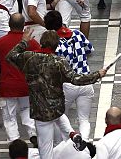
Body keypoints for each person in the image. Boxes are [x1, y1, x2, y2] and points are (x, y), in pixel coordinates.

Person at [7, 29, 106, 159]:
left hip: (40, 111)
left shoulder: (29, 57)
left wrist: (24, 42)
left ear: (42, 42)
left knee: (46, 149)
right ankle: (71, 133)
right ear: (56, 45)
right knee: (60, 117)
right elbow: (75, 79)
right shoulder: (59, 62)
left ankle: (70, 135)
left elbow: (10, 56)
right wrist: (97, 75)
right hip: (57, 106)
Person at [0, 13, 39, 143]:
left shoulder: (0, 42)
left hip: (7, 88)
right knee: (27, 112)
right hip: (26, 86)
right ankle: (33, 134)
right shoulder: (32, 43)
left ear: (9, 25)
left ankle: (14, 141)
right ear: (23, 25)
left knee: (9, 117)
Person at [44, 10, 97, 140]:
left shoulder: (54, 43)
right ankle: (84, 141)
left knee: (60, 118)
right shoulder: (77, 34)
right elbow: (90, 50)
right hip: (85, 81)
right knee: (84, 119)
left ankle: (64, 144)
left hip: (67, 85)